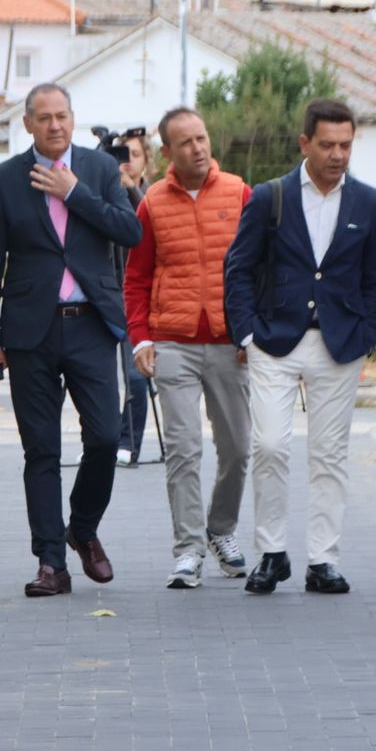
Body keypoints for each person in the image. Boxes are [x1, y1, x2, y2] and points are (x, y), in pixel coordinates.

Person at [0, 82, 142, 597]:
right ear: (27, 124)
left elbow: (129, 231)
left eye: (62, 116)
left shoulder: (97, 169)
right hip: (30, 331)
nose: (54, 125)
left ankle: (82, 528)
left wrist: (73, 192)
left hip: (91, 323)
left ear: (73, 118)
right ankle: (51, 562)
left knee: (106, 438)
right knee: (41, 450)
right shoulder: (3, 179)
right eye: (43, 117)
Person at [223, 99, 376, 596]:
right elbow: (239, 268)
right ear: (304, 143)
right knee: (270, 445)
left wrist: (367, 334)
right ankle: (272, 553)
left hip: (340, 345)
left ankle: (323, 560)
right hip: (274, 341)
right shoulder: (269, 197)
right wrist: (247, 334)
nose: (338, 154)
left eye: (346, 144)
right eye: (328, 145)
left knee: (329, 455)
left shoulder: (368, 201)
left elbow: (375, 278)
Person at [125, 108, 252, 589]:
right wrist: (141, 338)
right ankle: (188, 550)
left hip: (229, 342)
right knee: (182, 449)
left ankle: (221, 530)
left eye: (202, 138)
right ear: (167, 153)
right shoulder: (152, 204)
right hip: (172, 341)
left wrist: (252, 332)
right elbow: (135, 278)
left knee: (239, 447)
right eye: (186, 143)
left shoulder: (241, 194)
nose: (198, 148)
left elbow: (259, 268)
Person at [115, 133, 153, 466]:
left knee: (136, 378)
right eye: (122, 153)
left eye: (135, 154)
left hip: (141, 299)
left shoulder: (153, 193)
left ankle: (128, 444)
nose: (128, 159)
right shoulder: (106, 189)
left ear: (146, 160)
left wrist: (129, 185)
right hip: (108, 293)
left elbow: (144, 221)